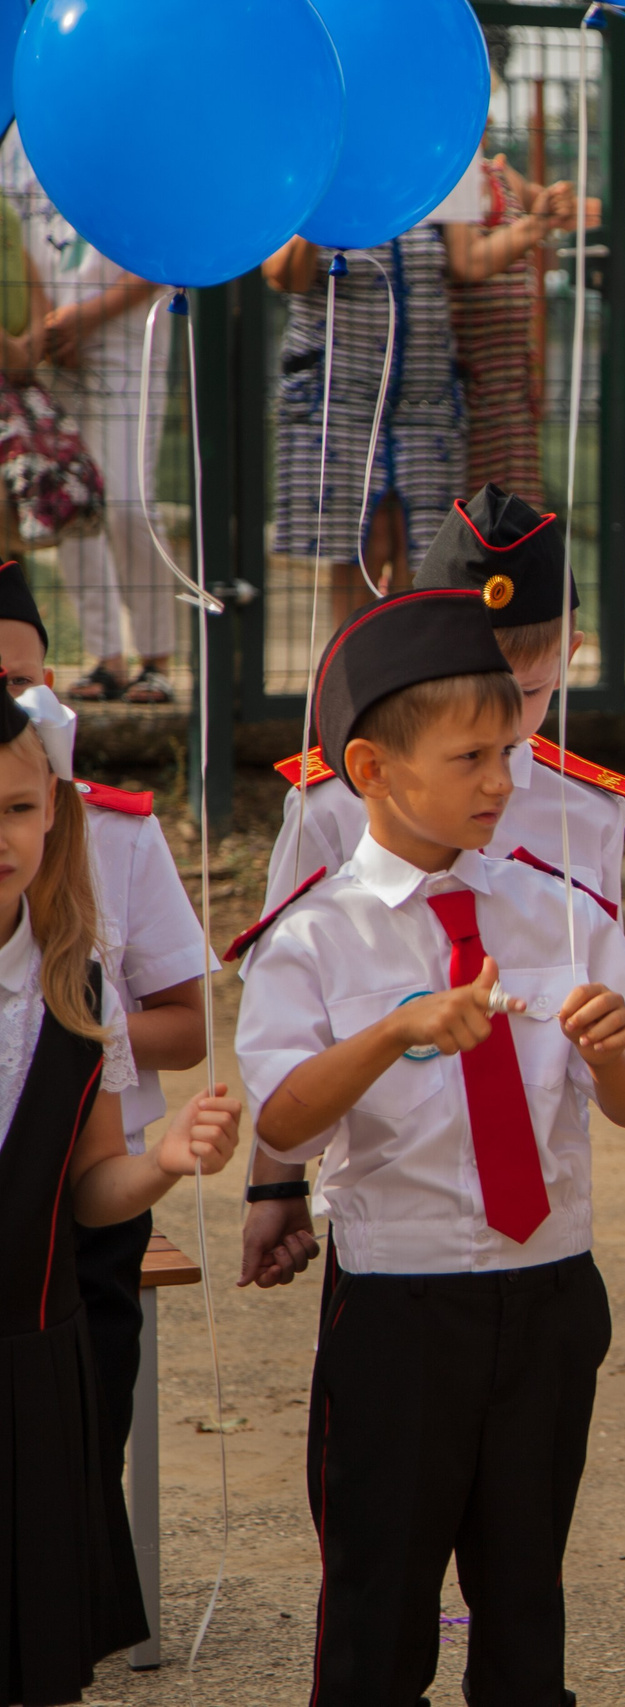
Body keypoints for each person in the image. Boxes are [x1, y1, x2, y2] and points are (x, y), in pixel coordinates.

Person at [230, 588, 625, 1706]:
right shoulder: (316, 935)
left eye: (508, 752)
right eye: (470, 758)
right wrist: (395, 1029)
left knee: (525, 1590)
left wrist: (615, 1050)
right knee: (381, 1595)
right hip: (401, 1306)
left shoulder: (557, 911)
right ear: (372, 769)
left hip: (548, 1289)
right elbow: (284, 1119)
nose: (502, 783)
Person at [0, 682, 242, 1705]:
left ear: (53, 812)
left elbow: (93, 1187)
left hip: (33, 1368)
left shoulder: (74, 981)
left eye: (16, 808)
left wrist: (166, 1158)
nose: (1, 835)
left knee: (34, 1653)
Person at [0, 567, 214, 1514]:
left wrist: (71, 1045)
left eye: (16, 683)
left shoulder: (111, 835)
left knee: (72, 1479)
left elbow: (185, 1024)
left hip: (82, 1217)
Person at [262, 485, 625, 918]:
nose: (502, 718)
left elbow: (605, 960)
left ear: (567, 661)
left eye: (527, 691)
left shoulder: (590, 810)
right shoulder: (335, 804)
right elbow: (284, 963)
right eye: (474, 692)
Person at [0, 133, 178, 703]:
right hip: (49, 339)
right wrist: (47, 326)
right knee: (67, 501)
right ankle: (105, 660)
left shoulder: (132, 126)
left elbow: (167, 249)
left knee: (127, 503)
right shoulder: (14, 140)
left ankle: (156, 659)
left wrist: (87, 317)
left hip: (125, 332)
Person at [266, 210, 475, 624]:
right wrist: (320, 214)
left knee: (418, 541)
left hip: (424, 397)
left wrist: (534, 225)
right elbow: (283, 276)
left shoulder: (429, 177)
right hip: (339, 396)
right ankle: (354, 674)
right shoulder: (312, 176)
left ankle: (406, 675)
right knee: (359, 541)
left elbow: (466, 262)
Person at [446, 150, 581, 500]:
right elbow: (468, 262)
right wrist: (538, 223)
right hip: (465, 388)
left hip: (510, 391)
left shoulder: (502, 175)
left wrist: (559, 203)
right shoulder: (445, 172)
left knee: (513, 522)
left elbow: (562, 211)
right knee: (464, 525)